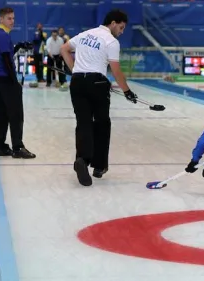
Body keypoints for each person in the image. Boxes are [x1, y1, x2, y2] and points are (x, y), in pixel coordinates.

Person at [60, 9, 138, 186]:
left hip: (78, 82)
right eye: (121, 27)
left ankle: (82, 159)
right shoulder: (111, 41)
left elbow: (64, 49)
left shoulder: (85, 34)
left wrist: (74, 70)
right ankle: (99, 166)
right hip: (97, 83)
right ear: (113, 23)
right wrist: (127, 91)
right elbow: (116, 70)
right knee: (102, 123)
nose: (121, 31)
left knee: (84, 123)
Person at [0, 6, 36, 159]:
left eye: (13, 18)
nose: (12, 21)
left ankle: (1, 146)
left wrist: (19, 46)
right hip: (6, 79)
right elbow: (6, 61)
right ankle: (18, 147)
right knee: (16, 113)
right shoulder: (3, 36)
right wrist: (14, 81)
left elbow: (7, 55)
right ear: (1, 19)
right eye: (9, 18)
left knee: (2, 112)